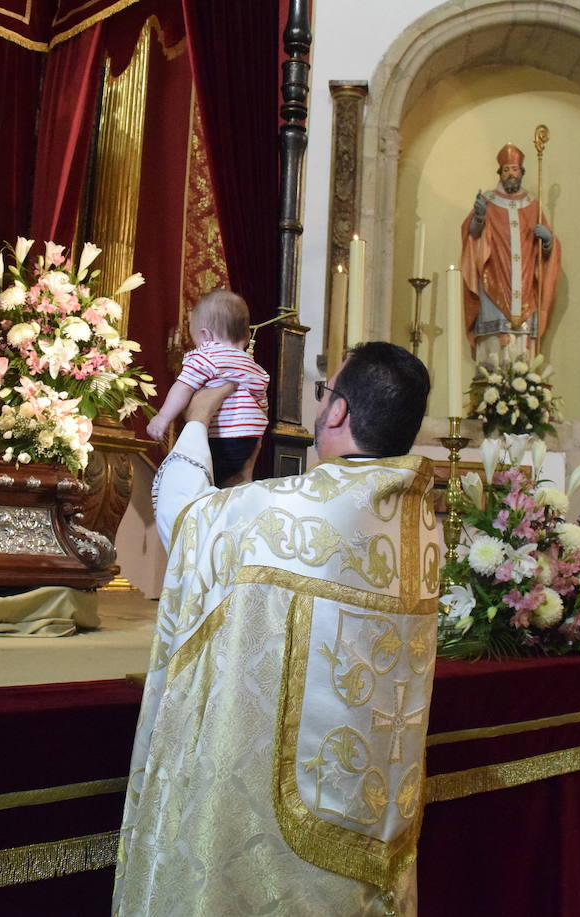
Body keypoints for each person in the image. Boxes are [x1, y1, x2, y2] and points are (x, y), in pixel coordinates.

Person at [115, 342, 438, 917]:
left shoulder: (304, 514)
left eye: (324, 391)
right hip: (373, 807)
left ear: (338, 412)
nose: (321, 404)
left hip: (293, 825)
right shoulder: (421, 524)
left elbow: (186, 521)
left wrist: (194, 425)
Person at [144, 289, 269, 485]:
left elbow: (183, 386)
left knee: (195, 477)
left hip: (222, 438)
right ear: (246, 336)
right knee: (226, 481)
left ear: (205, 335)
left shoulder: (207, 355)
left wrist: (163, 418)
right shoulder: (253, 366)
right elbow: (262, 406)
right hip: (248, 441)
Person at [458, 143, 562, 362]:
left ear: (521, 172)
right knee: (494, 348)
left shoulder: (533, 205)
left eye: (515, 169)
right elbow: (472, 237)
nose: (510, 174)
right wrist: (479, 217)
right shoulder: (487, 200)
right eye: (506, 170)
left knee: (522, 350)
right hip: (493, 280)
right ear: (500, 173)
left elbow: (547, 254)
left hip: (525, 287)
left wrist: (548, 241)